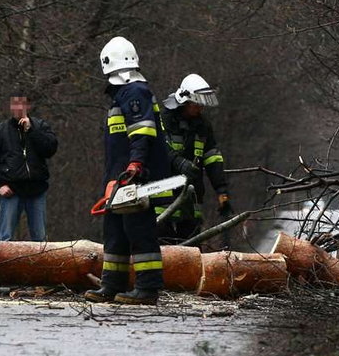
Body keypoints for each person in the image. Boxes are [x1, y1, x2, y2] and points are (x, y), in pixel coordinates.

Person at [85, 37, 172, 305]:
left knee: (138, 230)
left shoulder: (135, 92)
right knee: (115, 231)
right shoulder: (120, 95)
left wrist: (136, 164)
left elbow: (142, 133)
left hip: (137, 176)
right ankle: (111, 285)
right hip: (119, 176)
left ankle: (147, 288)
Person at [158, 73, 231, 243]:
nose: (200, 108)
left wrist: (222, 191)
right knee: (165, 248)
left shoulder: (202, 126)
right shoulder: (164, 120)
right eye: (196, 104)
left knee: (191, 252)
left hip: (192, 197)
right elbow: (158, 150)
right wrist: (179, 163)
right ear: (185, 100)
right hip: (164, 195)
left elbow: (213, 158)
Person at [0, 93, 58, 241]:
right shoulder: (0, 132)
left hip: (36, 190)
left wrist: (32, 131)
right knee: (5, 237)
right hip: (11, 191)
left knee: (40, 238)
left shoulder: (40, 127)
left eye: (21, 104)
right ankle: (4, 264)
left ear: (28, 106)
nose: (18, 108)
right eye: (14, 104)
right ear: (11, 107)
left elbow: (50, 149)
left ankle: (40, 264)